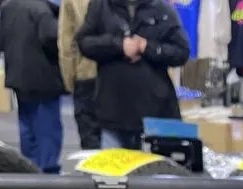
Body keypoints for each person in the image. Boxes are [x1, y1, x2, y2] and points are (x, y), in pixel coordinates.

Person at [75, 0, 190, 151]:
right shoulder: (101, 6)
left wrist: (148, 47)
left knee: (153, 164)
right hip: (112, 111)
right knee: (113, 165)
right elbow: (84, 42)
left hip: (154, 113)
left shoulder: (161, 9)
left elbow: (181, 52)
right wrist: (119, 45)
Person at [0, 0, 63, 172]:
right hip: (42, 77)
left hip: (17, 75)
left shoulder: (8, 7)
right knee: (47, 129)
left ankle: (30, 170)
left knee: (27, 127)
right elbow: (51, 38)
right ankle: (48, 172)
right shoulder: (41, 10)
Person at [58, 0, 100, 149]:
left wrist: (70, 80)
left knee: (90, 142)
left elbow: (66, 43)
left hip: (86, 73)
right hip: (120, 73)